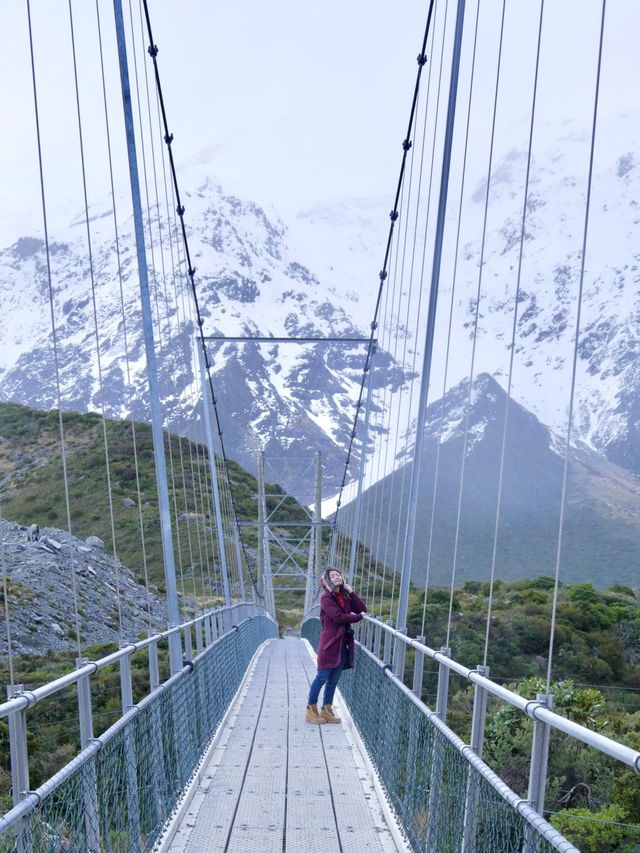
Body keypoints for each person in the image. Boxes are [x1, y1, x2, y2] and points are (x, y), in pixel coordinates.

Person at [305, 567, 367, 724]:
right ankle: (311, 711)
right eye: (332, 576)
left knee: (333, 680)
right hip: (330, 644)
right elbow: (338, 617)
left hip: (343, 644)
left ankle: (327, 710)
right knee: (322, 677)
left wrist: (351, 592)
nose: (336, 577)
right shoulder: (326, 598)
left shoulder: (344, 597)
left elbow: (362, 609)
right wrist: (358, 618)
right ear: (327, 581)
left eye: (338, 574)